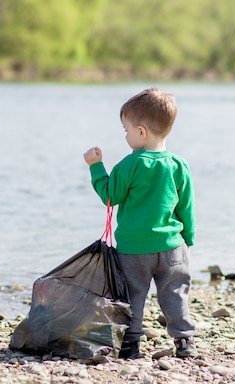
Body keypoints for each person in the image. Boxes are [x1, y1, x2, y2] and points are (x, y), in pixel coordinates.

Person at [83, 87, 197, 359]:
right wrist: (189, 239)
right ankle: (184, 342)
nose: (125, 136)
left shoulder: (130, 164)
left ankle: (131, 345)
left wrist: (96, 167)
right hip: (172, 247)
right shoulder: (179, 165)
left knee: (134, 296)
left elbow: (110, 197)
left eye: (126, 130)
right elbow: (186, 207)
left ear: (141, 132)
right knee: (175, 294)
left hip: (134, 250)